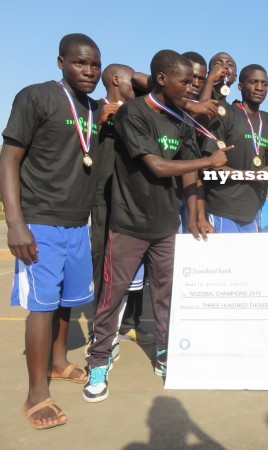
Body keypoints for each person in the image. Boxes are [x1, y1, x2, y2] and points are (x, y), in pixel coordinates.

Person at [83, 50, 230, 403]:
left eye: (194, 83)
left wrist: (197, 212)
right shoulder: (133, 113)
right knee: (112, 296)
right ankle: (99, 360)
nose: (191, 89)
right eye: (185, 82)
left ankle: (164, 354)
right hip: (129, 223)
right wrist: (210, 159)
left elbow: (188, 170)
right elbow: (156, 166)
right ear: (162, 79)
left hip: (165, 226)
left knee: (164, 296)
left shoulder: (179, 118)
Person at [0, 33, 102, 429]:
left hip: (78, 221)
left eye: (95, 64)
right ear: (60, 62)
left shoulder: (93, 108)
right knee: (42, 306)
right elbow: (9, 158)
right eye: (80, 63)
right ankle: (35, 394)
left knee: (68, 301)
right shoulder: (35, 96)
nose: (89, 71)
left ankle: (58, 363)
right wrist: (15, 223)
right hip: (39, 220)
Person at [90, 64, 155, 348]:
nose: (137, 85)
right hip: (101, 198)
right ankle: (100, 330)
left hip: (130, 198)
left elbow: (155, 87)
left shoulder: (137, 111)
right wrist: (98, 122)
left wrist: (139, 80)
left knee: (132, 266)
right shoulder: (91, 108)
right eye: (131, 78)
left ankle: (128, 323)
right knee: (104, 264)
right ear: (116, 79)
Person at [199, 64, 268, 233]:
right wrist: (252, 175)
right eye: (254, 82)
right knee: (225, 260)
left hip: (252, 212)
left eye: (264, 83)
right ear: (240, 86)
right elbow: (207, 165)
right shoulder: (226, 115)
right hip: (223, 208)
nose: (260, 88)